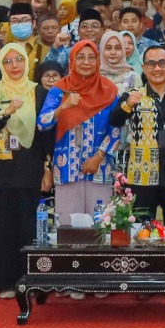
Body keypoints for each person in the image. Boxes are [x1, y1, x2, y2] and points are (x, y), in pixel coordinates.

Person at [0, 41, 57, 300]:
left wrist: (47, 168)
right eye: (7, 61)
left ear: (26, 62)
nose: (14, 65)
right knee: (1, 226)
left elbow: (47, 133)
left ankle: (30, 278)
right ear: (1, 65)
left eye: (18, 60)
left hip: (29, 166)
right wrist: (5, 112)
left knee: (27, 224)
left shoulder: (38, 91)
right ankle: (5, 280)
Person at [108, 42, 165, 222]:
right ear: (143, 68)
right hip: (141, 176)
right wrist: (128, 105)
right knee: (141, 230)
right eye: (151, 64)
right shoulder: (133, 95)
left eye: (162, 63)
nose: (157, 68)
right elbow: (114, 121)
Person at [48, 40, 122, 225]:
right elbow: (43, 123)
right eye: (80, 57)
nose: (86, 62)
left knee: (101, 227)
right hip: (66, 169)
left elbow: (116, 129)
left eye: (91, 57)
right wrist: (63, 107)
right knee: (67, 228)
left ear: (98, 61)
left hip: (100, 170)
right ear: (72, 61)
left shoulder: (110, 91)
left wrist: (98, 157)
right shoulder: (59, 90)